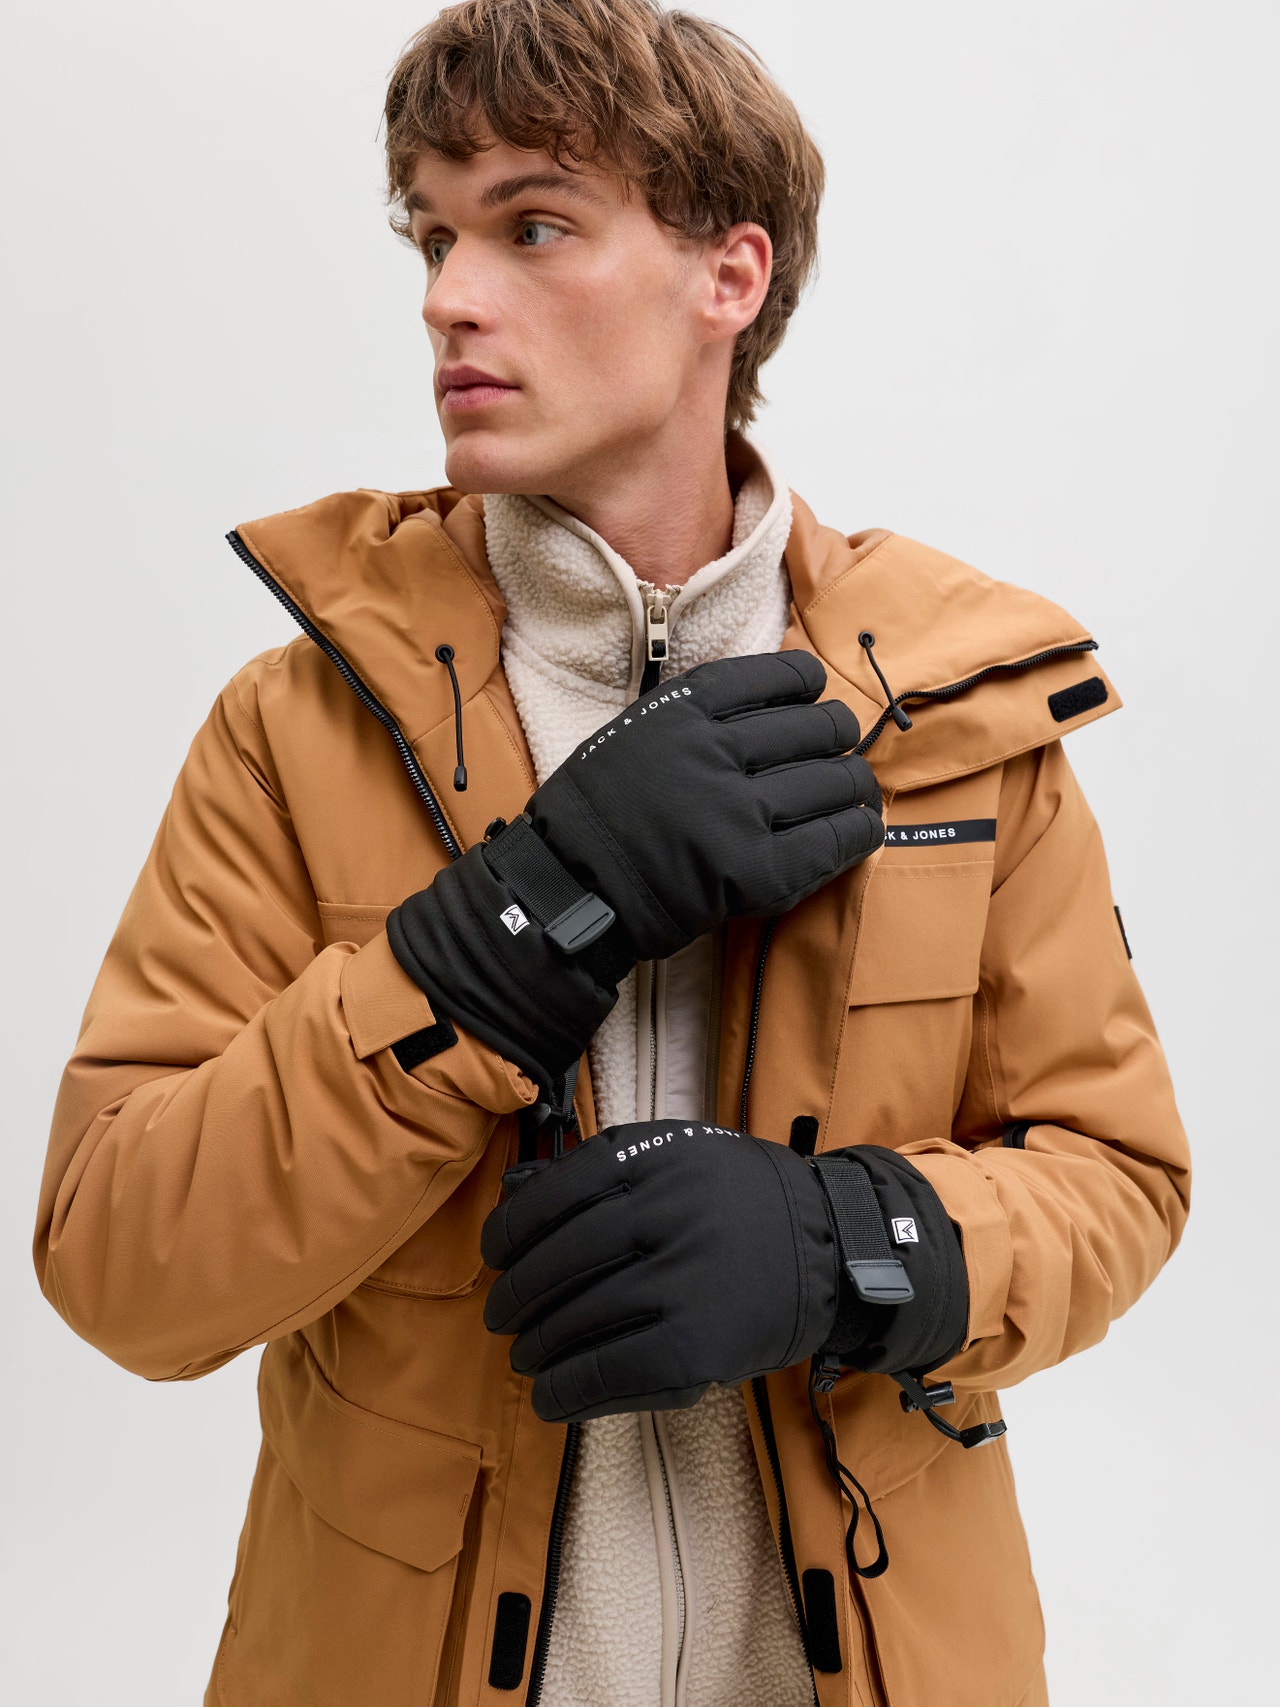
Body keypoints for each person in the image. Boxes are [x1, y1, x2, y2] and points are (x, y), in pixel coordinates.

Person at [33, 2, 1190, 1703]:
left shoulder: (960, 712)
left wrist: (846, 1247)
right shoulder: (297, 725)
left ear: (731, 273)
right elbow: (124, 1264)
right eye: (434, 235)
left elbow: (1117, 1176)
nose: (448, 295)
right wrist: (502, 933)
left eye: (531, 226)